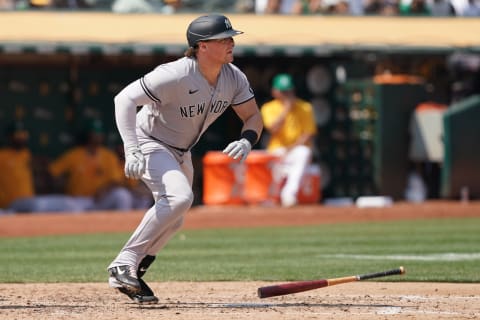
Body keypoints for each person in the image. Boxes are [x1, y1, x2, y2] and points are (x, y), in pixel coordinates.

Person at [107, 14, 263, 304]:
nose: (231, 42)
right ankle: (123, 263)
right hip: (150, 141)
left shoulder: (233, 76)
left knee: (175, 219)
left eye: (231, 37)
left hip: (181, 150)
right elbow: (124, 99)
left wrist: (247, 139)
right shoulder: (175, 73)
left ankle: (135, 271)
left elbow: (252, 115)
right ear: (202, 46)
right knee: (179, 198)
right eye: (224, 38)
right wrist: (132, 148)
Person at [48, 119, 135, 211]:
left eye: (99, 133)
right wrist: (63, 183)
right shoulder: (74, 154)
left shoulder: (109, 156)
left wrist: (104, 189)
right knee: (71, 207)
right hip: (78, 200)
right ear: (88, 134)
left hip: (99, 200)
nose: (98, 136)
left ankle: (122, 224)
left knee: (122, 195)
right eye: (94, 133)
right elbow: (53, 172)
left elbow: (115, 181)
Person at [260, 73, 317, 207]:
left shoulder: (305, 107)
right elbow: (273, 129)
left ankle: (289, 195)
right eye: (283, 91)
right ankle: (271, 196)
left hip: (294, 149)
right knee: (272, 160)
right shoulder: (268, 108)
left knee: (304, 152)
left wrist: (290, 148)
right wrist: (286, 109)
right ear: (275, 91)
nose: (287, 94)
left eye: (289, 91)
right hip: (276, 149)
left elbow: (308, 133)